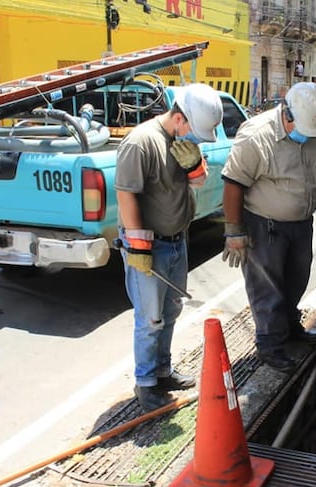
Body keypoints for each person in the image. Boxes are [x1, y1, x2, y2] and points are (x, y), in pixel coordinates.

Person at [115, 83, 223, 411]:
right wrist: (138, 248)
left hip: (177, 241)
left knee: (170, 311)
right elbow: (126, 194)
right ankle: (146, 384)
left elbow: (199, 180)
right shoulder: (140, 143)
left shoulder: (182, 141)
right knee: (150, 319)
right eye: (195, 132)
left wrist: (194, 166)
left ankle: (163, 370)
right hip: (151, 244)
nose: (197, 140)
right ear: (179, 118)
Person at [221, 82, 316, 372]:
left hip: (301, 223)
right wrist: (234, 230)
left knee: (297, 278)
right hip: (265, 225)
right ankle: (270, 343)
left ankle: (289, 326)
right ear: (286, 113)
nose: (307, 136)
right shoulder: (257, 136)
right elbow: (233, 183)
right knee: (268, 286)